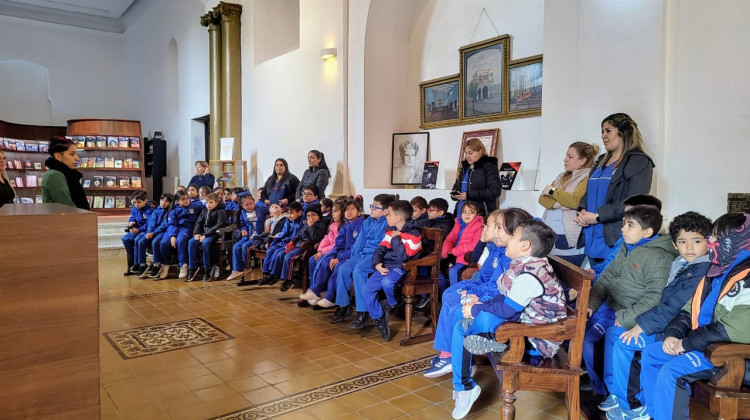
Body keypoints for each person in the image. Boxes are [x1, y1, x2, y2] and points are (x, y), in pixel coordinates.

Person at [599, 211, 712, 419]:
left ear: (709, 242)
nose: (689, 247)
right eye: (682, 241)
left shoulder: (703, 269)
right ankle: (626, 399)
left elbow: (675, 305)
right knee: (617, 334)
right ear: (675, 244)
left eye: (696, 241)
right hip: (670, 327)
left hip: (682, 333)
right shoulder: (681, 264)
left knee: (625, 341)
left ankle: (633, 406)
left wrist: (641, 325)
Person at [639, 213, 750, 420]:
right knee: (652, 354)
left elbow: (736, 329)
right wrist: (673, 334)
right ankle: (656, 415)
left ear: (737, 241)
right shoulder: (719, 269)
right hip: (707, 345)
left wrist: (686, 343)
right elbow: (690, 309)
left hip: (732, 354)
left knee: (671, 372)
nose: (711, 243)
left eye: (717, 238)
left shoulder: (747, 277)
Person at [451, 220, 566, 419]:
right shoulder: (525, 265)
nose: (507, 241)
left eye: (512, 237)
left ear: (525, 245)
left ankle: (488, 342)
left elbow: (506, 309)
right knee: (464, 323)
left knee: (479, 318)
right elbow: (504, 299)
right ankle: (463, 387)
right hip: (522, 324)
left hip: (536, 341)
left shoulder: (530, 275)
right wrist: (477, 305)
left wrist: (477, 309)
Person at [424, 208, 530, 379]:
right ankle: (450, 355)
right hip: (486, 293)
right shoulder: (501, 250)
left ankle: (455, 360)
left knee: (457, 309)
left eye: (497, 227)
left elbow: (496, 290)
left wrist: (477, 299)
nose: (491, 231)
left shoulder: (510, 256)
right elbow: (485, 277)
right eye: (492, 226)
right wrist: (473, 292)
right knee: (450, 295)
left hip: (496, 305)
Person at [583, 205, 678, 398]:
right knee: (582, 329)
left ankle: (613, 392)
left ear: (647, 232)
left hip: (627, 314)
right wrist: (591, 303)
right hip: (609, 309)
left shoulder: (658, 256)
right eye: (624, 224)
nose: (622, 229)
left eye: (630, 225)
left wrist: (627, 317)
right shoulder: (627, 247)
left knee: (598, 337)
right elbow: (607, 277)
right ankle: (602, 387)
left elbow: (655, 296)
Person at [576, 113, 655, 266]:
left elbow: (635, 202)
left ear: (623, 132)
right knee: (594, 285)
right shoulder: (601, 162)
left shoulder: (639, 162)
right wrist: (582, 212)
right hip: (592, 237)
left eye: (608, 131)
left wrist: (598, 217)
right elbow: (589, 193)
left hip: (616, 238)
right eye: (602, 131)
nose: (603, 135)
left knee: (610, 287)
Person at [364, 200, 423, 341]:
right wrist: (377, 264)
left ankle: (393, 303)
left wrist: (397, 239)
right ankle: (379, 317)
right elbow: (381, 248)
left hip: (401, 267)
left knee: (387, 282)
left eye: (389, 214)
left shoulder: (414, 234)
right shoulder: (390, 230)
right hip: (386, 265)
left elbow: (404, 257)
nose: (386, 216)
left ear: (399, 218)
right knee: (367, 290)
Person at [539, 142, 599, 266]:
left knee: (565, 278)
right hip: (549, 234)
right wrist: (559, 204)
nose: (565, 159)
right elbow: (542, 199)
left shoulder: (588, 176)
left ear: (582, 160)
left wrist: (552, 191)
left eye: (570, 157)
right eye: (566, 156)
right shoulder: (562, 176)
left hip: (567, 236)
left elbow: (574, 201)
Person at [310, 200, 364, 320]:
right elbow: (338, 245)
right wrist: (335, 256)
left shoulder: (361, 226)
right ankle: (323, 295)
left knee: (339, 268)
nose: (349, 212)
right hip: (344, 255)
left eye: (352, 209)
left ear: (359, 212)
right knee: (325, 262)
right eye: (347, 210)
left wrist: (340, 258)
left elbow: (356, 248)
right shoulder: (345, 227)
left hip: (356, 256)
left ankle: (342, 304)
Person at [300, 201, 345, 305]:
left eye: (335, 211)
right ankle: (314, 290)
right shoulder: (333, 224)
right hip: (328, 251)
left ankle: (322, 292)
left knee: (323, 262)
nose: (332, 214)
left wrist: (322, 253)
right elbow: (327, 238)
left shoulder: (343, 226)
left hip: (336, 252)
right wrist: (320, 250)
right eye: (332, 211)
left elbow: (337, 244)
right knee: (312, 260)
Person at [277, 203, 327, 292]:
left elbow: (315, 237)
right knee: (282, 253)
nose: (310, 218)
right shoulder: (306, 224)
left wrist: (311, 226)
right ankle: (281, 276)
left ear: (319, 216)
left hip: (306, 248)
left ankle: (288, 280)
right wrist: (293, 241)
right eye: (308, 215)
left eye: (313, 215)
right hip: (299, 245)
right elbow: (300, 234)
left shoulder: (321, 225)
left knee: (289, 257)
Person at [157, 190, 205, 279]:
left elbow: (206, 206)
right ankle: (165, 265)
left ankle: (183, 265)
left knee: (180, 240)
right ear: (177, 201)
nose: (186, 200)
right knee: (163, 243)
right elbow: (172, 224)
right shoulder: (173, 210)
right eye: (183, 199)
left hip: (186, 228)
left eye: (187, 198)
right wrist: (172, 236)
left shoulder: (195, 206)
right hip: (173, 229)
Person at [450, 138, 501, 216]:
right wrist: (455, 194)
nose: (467, 156)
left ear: (480, 151)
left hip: (480, 213)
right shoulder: (465, 168)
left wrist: (469, 195)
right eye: (466, 153)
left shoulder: (489, 166)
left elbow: (495, 191)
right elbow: (456, 187)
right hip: (461, 212)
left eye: (470, 153)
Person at [259, 201, 304, 285]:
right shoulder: (288, 220)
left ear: (299, 213)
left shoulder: (301, 222)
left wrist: (288, 242)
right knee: (270, 250)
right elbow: (283, 233)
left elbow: (298, 237)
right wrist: (273, 240)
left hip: (292, 244)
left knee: (278, 253)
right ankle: (267, 273)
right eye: (288, 213)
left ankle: (274, 274)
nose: (289, 215)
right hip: (284, 241)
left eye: (292, 213)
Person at [227, 194, 269, 281]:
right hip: (248, 235)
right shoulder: (242, 213)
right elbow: (242, 224)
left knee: (245, 246)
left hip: (259, 236)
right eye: (246, 205)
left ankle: (246, 267)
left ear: (254, 202)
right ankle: (236, 269)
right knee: (236, 246)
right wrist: (243, 229)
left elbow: (270, 210)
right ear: (242, 206)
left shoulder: (260, 209)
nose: (249, 206)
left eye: (251, 203)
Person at [187, 193, 228, 282]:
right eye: (207, 202)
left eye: (211, 202)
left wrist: (206, 235)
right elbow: (199, 222)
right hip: (203, 233)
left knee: (206, 243)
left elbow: (220, 225)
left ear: (216, 203)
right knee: (191, 242)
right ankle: (192, 267)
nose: (208, 205)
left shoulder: (221, 211)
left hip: (213, 234)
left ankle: (208, 268)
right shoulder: (204, 211)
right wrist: (197, 233)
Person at [442, 202, 485, 286]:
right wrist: (445, 251)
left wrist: (453, 251)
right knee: (439, 266)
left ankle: (455, 293)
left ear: (477, 214)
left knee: (453, 271)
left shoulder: (479, 226)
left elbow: (473, 246)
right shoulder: (459, 223)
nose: (467, 214)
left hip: (467, 258)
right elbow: (450, 238)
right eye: (465, 212)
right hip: (454, 256)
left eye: (471, 212)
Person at [40, 136, 89, 210]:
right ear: (58, 156)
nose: (77, 158)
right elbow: (67, 208)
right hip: (64, 220)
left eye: (76, 154)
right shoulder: (55, 175)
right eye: (72, 154)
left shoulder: (64, 174)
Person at [137, 193, 175, 278]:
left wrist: (153, 233)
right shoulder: (156, 210)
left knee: (155, 242)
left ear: (170, 203)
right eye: (162, 200)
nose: (163, 202)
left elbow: (164, 225)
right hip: (152, 231)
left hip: (162, 232)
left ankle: (156, 264)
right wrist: (149, 232)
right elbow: (151, 222)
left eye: (166, 201)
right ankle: (142, 264)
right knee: (141, 241)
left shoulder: (170, 212)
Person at [122, 191, 154, 275]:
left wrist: (139, 229)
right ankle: (134, 262)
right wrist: (131, 222)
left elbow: (149, 223)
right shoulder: (134, 209)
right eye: (134, 202)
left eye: (139, 202)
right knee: (125, 239)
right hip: (136, 229)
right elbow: (132, 217)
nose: (136, 204)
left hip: (144, 231)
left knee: (137, 240)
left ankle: (140, 263)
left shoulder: (149, 211)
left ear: (145, 201)